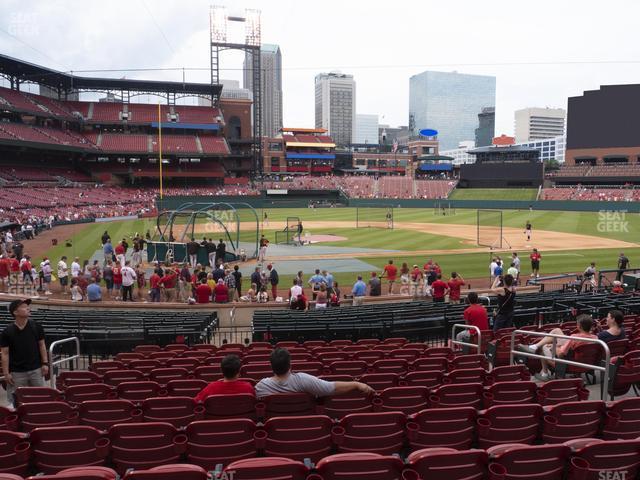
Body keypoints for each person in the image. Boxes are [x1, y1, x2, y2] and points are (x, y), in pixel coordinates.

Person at [255, 348, 374, 399]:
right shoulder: (302, 380)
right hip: (306, 429)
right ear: (290, 365)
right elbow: (332, 388)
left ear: (272, 367)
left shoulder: (261, 387)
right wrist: (356, 384)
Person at [520, 314, 596, 381]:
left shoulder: (574, 337)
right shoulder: (596, 338)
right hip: (587, 363)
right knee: (557, 331)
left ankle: (545, 373)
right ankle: (534, 347)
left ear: (579, 326)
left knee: (543, 347)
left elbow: (560, 354)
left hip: (567, 364)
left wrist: (554, 347)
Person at [1, 299, 48, 406]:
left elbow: (42, 345)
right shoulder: (7, 332)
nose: (27, 308)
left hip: (36, 370)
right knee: (19, 401)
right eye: (23, 306)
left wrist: (45, 363)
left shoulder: (36, 326)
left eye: (27, 306)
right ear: (15, 312)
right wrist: (6, 373)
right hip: (17, 373)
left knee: (41, 399)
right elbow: (5, 353)